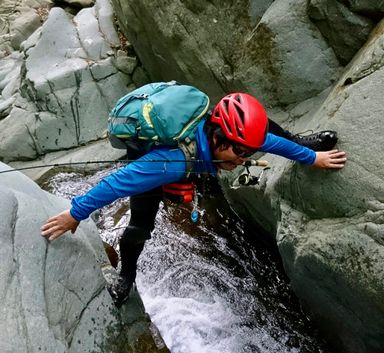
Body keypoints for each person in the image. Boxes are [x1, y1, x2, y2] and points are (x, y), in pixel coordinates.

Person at [41, 92, 347, 307]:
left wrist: (311, 157)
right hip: (152, 156)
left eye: (249, 153)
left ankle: (298, 136)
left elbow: (269, 140)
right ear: (218, 139)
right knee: (141, 224)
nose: (245, 159)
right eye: (241, 153)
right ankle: (126, 277)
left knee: (261, 125)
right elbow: (117, 184)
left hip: (195, 148)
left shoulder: (230, 134)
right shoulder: (168, 162)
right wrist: (75, 213)